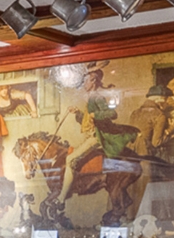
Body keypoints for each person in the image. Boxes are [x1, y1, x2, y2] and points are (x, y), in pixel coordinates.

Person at [58, 68, 138, 204]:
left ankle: (62, 198)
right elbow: (88, 121)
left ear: (93, 81)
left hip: (96, 138)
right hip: (90, 135)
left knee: (71, 159)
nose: (84, 85)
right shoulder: (90, 98)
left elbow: (112, 114)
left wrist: (95, 115)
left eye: (85, 81)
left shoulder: (97, 97)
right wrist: (77, 113)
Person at [129, 85, 174, 158]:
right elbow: (156, 143)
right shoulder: (159, 115)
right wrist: (170, 129)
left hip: (131, 154)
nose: (167, 103)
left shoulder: (135, 113)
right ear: (159, 100)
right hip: (146, 156)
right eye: (166, 99)